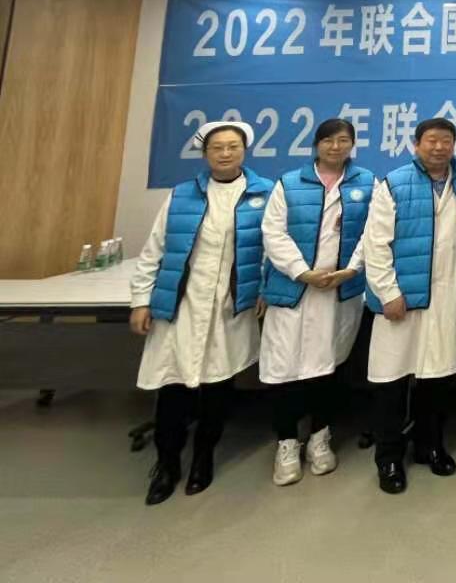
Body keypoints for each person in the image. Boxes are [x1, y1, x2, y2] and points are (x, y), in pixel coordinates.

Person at [129, 121, 274, 505]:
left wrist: (263, 288)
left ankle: (204, 456)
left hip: (230, 306)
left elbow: (273, 250)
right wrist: (141, 300)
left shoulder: (265, 193)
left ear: (244, 151)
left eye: (232, 147)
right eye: (217, 148)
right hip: (182, 305)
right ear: (205, 153)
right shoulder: (182, 195)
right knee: (173, 387)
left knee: (218, 387)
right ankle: (166, 463)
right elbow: (155, 250)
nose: (225, 153)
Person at [363, 116, 456, 494]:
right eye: (431, 140)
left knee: (437, 379)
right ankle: (388, 457)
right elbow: (375, 244)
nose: (439, 147)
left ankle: (430, 446)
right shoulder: (394, 184)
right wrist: (388, 293)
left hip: (448, 299)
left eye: (446, 141)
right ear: (416, 144)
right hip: (403, 301)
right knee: (392, 381)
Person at [259, 117, 373, 486]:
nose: (335, 147)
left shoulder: (367, 183)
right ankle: (286, 442)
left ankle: (320, 438)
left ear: (352, 144)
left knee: (329, 367)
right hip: (294, 289)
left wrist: (351, 269)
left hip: (340, 290)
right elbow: (273, 234)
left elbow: (373, 233)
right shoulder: (289, 183)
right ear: (316, 144)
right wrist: (301, 272)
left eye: (343, 140)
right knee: (283, 370)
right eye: (328, 140)